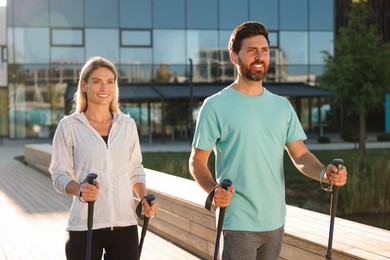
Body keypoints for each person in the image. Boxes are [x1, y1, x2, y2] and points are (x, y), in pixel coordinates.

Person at [188, 21, 347, 260]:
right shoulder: (215, 105)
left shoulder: (282, 106)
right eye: (252, 51)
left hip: (275, 222)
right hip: (237, 221)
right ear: (234, 57)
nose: (260, 56)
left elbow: (301, 156)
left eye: (264, 50)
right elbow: (197, 161)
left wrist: (325, 173)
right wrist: (213, 190)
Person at [49, 56, 158, 260]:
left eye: (110, 81)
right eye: (97, 81)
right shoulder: (69, 126)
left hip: (124, 224)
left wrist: (144, 197)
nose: (104, 88)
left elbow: (135, 169)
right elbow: (58, 174)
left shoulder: (127, 125)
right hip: (85, 225)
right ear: (84, 84)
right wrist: (79, 189)